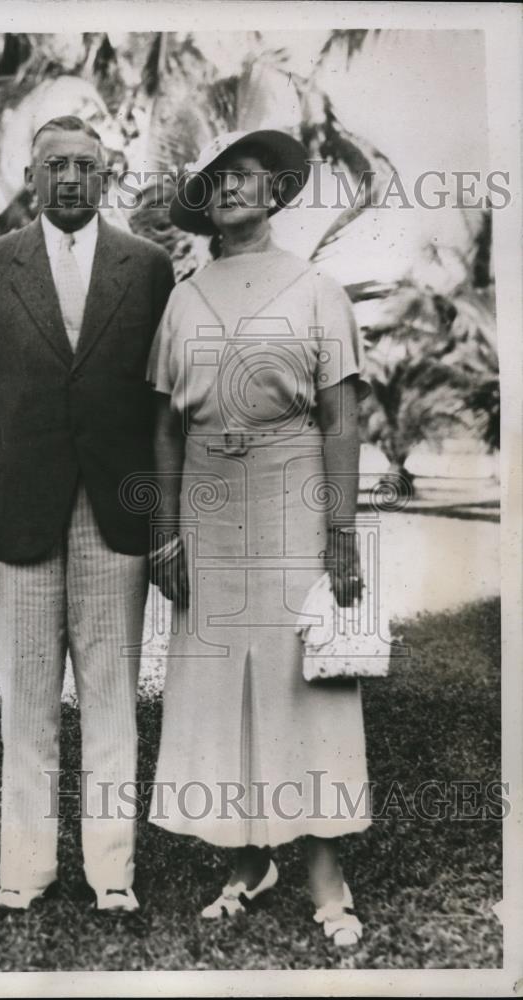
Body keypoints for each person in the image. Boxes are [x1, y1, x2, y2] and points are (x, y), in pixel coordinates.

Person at [0, 115, 174, 914]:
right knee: (27, 706)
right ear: (32, 178)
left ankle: (113, 877)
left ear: (106, 176)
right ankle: (25, 874)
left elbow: (162, 410)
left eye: (86, 165)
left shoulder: (148, 268)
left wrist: (161, 520)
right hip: (18, 521)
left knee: (113, 699)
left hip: (117, 516)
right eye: (55, 166)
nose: (71, 178)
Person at [147, 129, 372, 946]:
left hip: (291, 489)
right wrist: (165, 532)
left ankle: (323, 869)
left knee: (300, 677)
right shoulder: (184, 296)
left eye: (249, 178)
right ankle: (245, 860)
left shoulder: (316, 289)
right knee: (216, 678)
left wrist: (341, 530)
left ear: (276, 195)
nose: (234, 189)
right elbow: (166, 427)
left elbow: (342, 416)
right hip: (207, 498)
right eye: (220, 180)